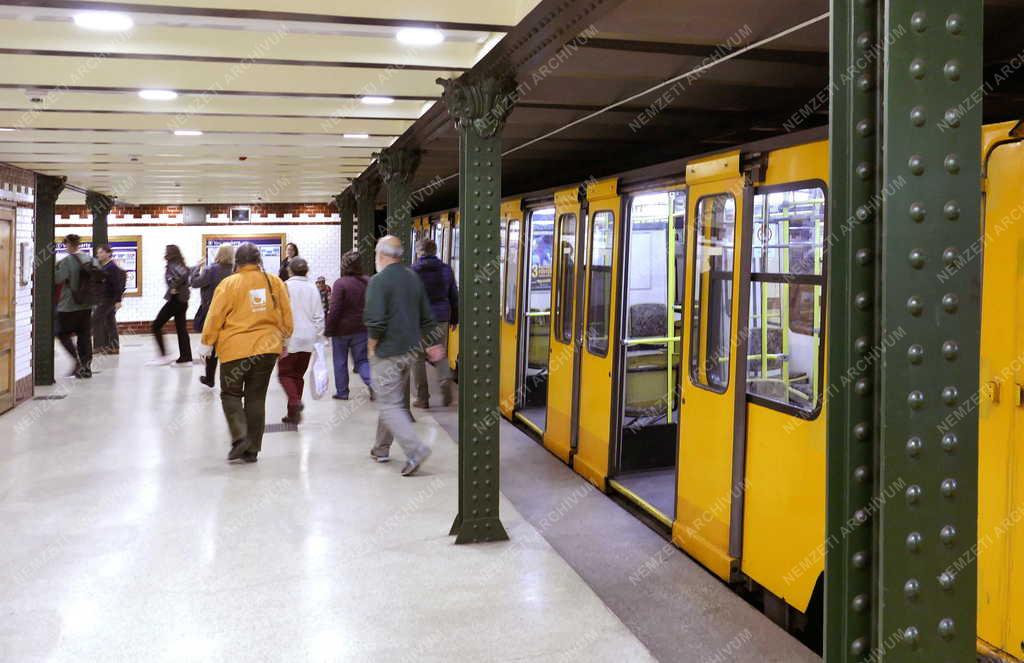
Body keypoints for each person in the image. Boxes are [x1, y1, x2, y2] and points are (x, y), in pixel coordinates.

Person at [198, 243, 293, 463]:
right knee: (256, 397)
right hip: (267, 349)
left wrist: (206, 343)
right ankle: (252, 450)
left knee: (230, 393)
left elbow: (215, 316)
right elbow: (286, 314)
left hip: (235, 349)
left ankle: (240, 437)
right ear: (259, 260)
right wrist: (285, 339)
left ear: (236, 263)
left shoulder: (229, 284)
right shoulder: (274, 281)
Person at [364, 236, 440, 476]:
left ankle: (415, 450)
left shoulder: (379, 281)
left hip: (388, 351)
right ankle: (381, 448)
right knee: (392, 400)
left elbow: (376, 321)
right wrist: (433, 344)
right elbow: (427, 316)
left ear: (382, 255)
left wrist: (371, 347)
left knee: (388, 404)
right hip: (410, 350)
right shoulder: (412, 277)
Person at [410, 238, 457, 408]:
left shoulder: (413, 271)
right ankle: (445, 383)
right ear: (435, 251)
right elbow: (454, 295)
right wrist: (454, 318)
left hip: (419, 320)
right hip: (441, 317)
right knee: (439, 353)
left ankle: (423, 398)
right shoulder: (446, 269)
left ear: (419, 252)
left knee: (418, 358)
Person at [278, 257, 324, 424]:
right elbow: (319, 316)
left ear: (290, 270)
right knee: (298, 375)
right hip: (308, 338)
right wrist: (316, 337)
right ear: (307, 271)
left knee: (284, 373)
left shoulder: (284, 286)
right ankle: (293, 415)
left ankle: (295, 401)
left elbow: (279, 314)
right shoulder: (313, 288)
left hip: (290, 338)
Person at [325, 251, 372, 400]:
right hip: (362, 328)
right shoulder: (368, 281)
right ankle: (375, 386)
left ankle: (342, 392)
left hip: (341, 331)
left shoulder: (340, 283)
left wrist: (329, 329)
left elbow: (335, 309)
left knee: (340, 361)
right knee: (363, 360)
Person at [190, 244, 235, 387]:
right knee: (229, 344)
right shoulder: (236, 270)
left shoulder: (211, 270)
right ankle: (231, 378)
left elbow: (195, 283)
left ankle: (210, 378)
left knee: (212, 344)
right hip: (232, 313)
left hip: (213, 311)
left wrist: (197, 268)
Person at [54, 234, 98, 378]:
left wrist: (55, 266)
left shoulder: (67, 261)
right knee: (84, 335)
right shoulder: (91, 259)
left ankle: (77, 362)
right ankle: (86, 368)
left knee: (61, 333)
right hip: (87, 304)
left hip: (69, 305)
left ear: (69, 245)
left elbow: (58, 278)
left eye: (65, 244)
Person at [148, 244, 193, 366]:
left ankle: (164, 356)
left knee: (156, 325)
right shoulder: (179, 263)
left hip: (176, 301)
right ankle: (186, 358)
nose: (165, 253)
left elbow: (184, 274)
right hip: (182, 301)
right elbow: (187, 273)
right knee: (181, 329)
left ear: (171, 253)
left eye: (166, 251)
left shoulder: (174, 264)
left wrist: (174, 286)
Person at [92, 244, 127, 356]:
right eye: (98, 252)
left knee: (95, 319)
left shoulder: (111, 267)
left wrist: (118, 300)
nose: (99, 254)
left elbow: (116, 285)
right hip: (106, 298)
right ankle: (113, 347)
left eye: (101, 252)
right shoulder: (106, 266)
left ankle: (99, 346)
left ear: (108, 253)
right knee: (110, 322)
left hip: (109, 299)